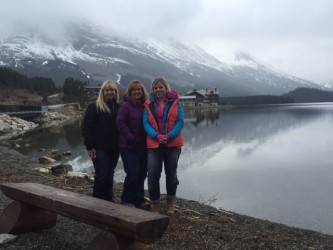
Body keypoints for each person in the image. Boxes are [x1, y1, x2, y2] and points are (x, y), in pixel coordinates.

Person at [143, 77, 184, 215]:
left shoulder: (176, 102)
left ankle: (170, 203)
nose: (158, 90)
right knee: (153, 175)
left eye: (160, 87)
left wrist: (170, 136)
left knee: (171, 175)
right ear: (153, 90)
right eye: (155, 88)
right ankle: (155, 203)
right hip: (154, 145)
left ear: (166, 88)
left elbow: (180, 121)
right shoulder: (148, 104)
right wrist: (156, 136)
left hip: (173, 144)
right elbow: (146, 124)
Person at [82, 80, 120, 201]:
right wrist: (89, 147)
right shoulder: (94, 106)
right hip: (99, 148)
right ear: (102, 92)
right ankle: (97, 199)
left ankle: (109, 198)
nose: (110, 92)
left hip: (114, 148)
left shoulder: (119, 107)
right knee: (102, 174)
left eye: (112, 90)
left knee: (110, 174)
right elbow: (87, 127)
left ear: (116, 92)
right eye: (107, 90)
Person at [116, 80, 149, 207]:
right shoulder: (125, 106)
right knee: (133, 173)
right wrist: (131, 137)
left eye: (139, 89)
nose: (137, 91)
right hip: (128, 146)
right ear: (130, 92)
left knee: (142, 173)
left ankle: (139, 199)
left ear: (142, 91)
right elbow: (120, 124)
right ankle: (127, 200)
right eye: (134, 90)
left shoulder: (145, 105)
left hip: (143, 146)